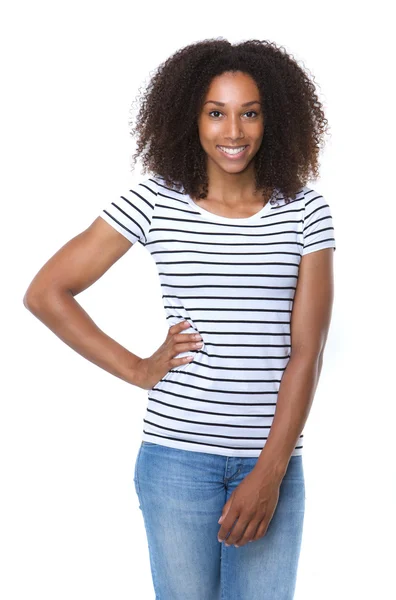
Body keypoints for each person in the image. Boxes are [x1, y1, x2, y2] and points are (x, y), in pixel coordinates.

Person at [23, 38, 336, 600]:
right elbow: (48, 292)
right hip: (176, 461)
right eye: (216, 113)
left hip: (273, 462)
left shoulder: (305, 210)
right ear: (189, 117)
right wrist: (137, 368)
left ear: (275, 118)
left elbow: (306, 354)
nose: (233, 132)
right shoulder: (154, 201)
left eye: (250, 112)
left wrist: (268, 474)